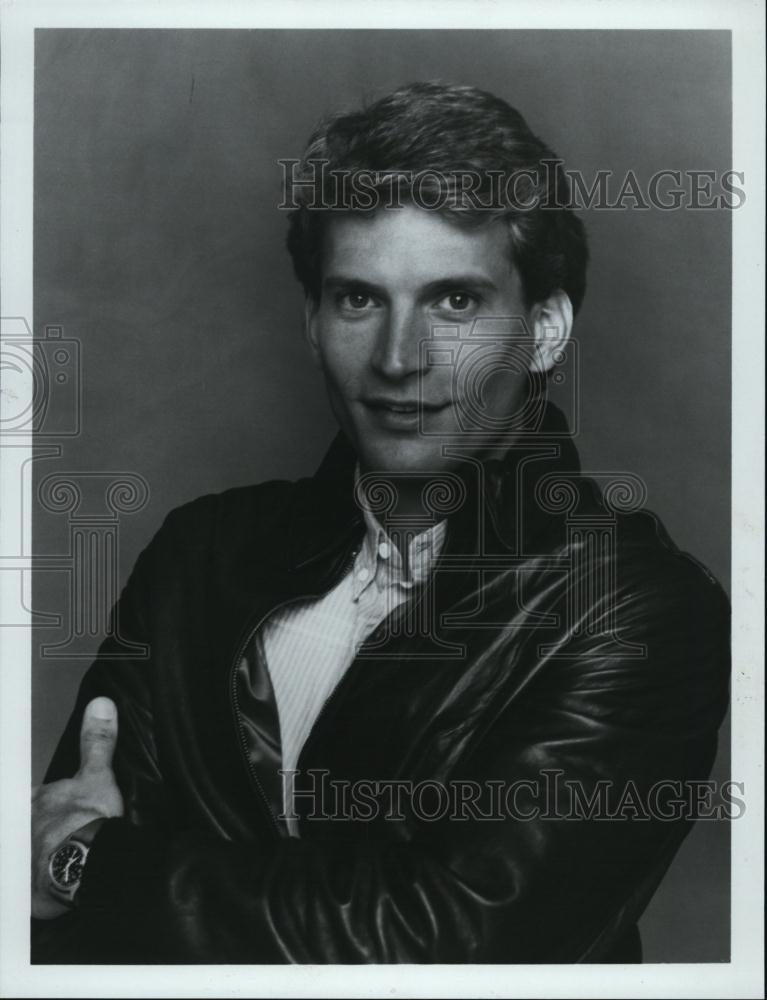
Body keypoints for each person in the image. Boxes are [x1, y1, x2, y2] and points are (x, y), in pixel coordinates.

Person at [31, 81, 730, 964]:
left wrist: (91, 866)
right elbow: (42, 919)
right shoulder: (199, 554)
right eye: (359, 299)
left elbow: (450, 948)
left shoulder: (635, 607)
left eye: (455, 302)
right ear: (313, 322)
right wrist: (68, 867)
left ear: (545, 330)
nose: (400, 359)